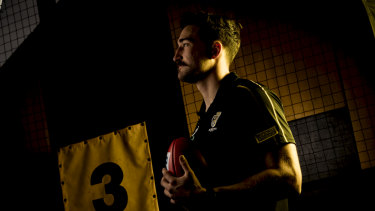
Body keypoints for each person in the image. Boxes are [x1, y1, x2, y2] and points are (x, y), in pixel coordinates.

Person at [161, 12, 302, 211]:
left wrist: (207, 197)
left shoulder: (248, 95)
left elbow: (289, 177)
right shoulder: (202, 124)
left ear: (214, 50)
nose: (176, 56)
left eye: (185, 44)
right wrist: (183, 192)